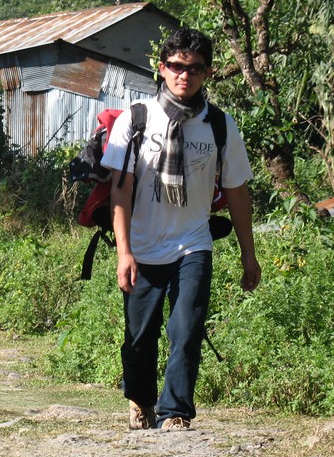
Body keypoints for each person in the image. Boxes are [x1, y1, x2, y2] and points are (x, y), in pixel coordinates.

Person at [101, 28, 261, 431]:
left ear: (207, 73)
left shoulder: (219, 125)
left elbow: (237, 192)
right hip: (142, 246)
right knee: (139, 338)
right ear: (162, 68)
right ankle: (141, 400)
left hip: (193, 243)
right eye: (175, 66)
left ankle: (175, 412)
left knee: (187, 328)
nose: (183, 75)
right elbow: (120, 191)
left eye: (194, 69)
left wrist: (249, 254)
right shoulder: (137, 118)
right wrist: (124, 252)